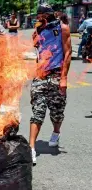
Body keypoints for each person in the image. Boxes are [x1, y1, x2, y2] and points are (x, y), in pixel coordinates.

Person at [30, 4, 71, 165]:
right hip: (40, 75)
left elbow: (67, 53)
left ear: (49, 15)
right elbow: (38, 52)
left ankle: (56, 132)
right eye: (38, 16)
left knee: (57, 112)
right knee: (37, 111)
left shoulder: (63, 28)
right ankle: (31, 148)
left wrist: (64, 78)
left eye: (41, 16)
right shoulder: (38, 30)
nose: (39, 18)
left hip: (56, 74)